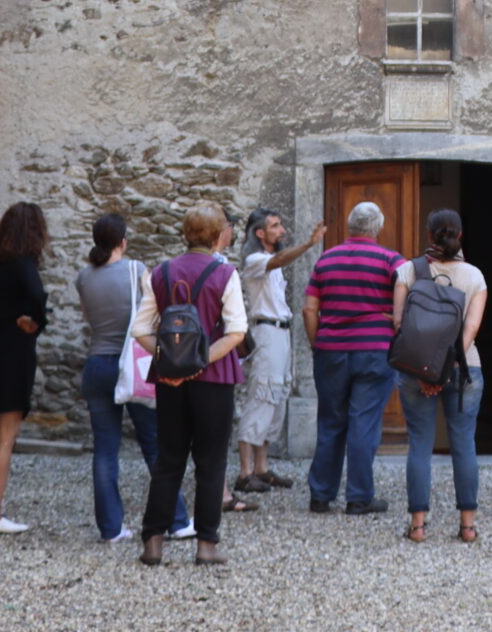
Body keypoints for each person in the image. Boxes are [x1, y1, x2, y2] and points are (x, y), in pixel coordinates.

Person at [130, 202, 250, 566]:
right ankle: (206, 545)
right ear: (217, 236)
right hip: (215, 377)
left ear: (185, 234)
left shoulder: (161, 273)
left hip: (170, 379)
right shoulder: (224, 273)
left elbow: (140, 330)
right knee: (211, 462)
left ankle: (153, 542)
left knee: (169, 459)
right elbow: (237, 331)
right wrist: (201, 360)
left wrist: (172, 361)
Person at [75, 213, 187, 543]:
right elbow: (153, 311)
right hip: (132, 366)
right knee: (154, 445)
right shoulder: (135, 269)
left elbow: (88, 318)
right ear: (123, 241)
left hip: (97, 364)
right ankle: (177, 520)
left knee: (105, 450)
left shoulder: (83, 277)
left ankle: (110, 529)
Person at [391, 208, 488, 543]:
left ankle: (417, 526)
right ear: (460, 236)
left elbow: (400, 325)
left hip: (417, 369)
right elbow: (471, 330)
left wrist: (430, 370)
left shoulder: (408, 270)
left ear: (429, 235)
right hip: (465, 369)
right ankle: (467, 526)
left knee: (419, 443)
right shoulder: (475, 276)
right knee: (464, 444)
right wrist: (446, 367)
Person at [304, 199, 404, 514]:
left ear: (349, 227)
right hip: (375, 350)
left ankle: (321, 495)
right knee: (364, 422)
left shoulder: (325, 260)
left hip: (331, 350)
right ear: (378, 228)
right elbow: (411, 295)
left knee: (331, 421)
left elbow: (309, 308)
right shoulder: (391, 260)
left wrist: (316, 343)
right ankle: (359, 496)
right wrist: (395, 320)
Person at [235, 207, 328, 495]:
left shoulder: (268, 260)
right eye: (275, 226)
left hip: (280, 332)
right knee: (262, 393)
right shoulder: (254, 260)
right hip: (266, 332)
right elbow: (277, 261)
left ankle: (261, 469)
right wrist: (310, 244)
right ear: (260, 233)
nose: (282, 230)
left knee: (278, 393)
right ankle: (244, 472)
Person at [0, 201, 50, 534]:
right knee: (5, 437)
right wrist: (36, 322)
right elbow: (37, 295)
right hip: (12, 354)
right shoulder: (23, 264)